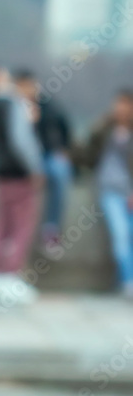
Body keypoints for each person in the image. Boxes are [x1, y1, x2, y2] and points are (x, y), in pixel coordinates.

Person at [0, 65, 45, 304]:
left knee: (2, 226)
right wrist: (35, 168)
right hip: (19, 174)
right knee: (21, 227)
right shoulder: (11, 103)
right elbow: (21, 141)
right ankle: (11, 275)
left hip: (1, 174)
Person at [72, 88, 133, 299]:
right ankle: (128, 282)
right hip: (110, 189)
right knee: (121, 236)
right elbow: (86, 152)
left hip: (129, 190)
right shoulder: (104, 128)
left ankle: (123, 279)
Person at [13, 69, 73, 253]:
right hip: (25, 161)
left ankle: (51, 230)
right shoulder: (13, 107)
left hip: (49, 154)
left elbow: (64, 126)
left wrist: (63, 149)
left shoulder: (47, 104)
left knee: (59, 172)